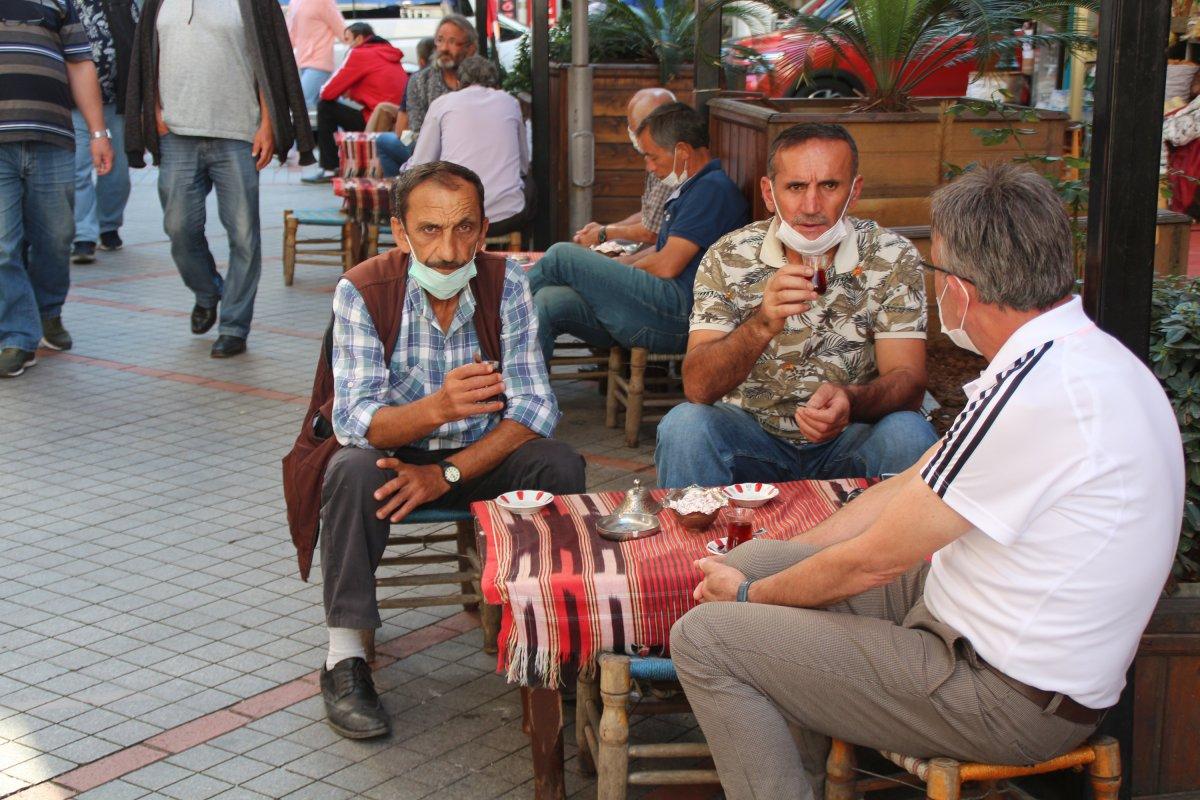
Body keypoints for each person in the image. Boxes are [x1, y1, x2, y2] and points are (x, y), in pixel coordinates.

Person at [670, 162, 1185, 800]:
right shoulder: (1067, 357)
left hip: (1003, 696)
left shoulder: (1042, 393)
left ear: (963, 291)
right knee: (758, 560)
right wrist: (778, 570)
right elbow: (911, 484)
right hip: (966, 621)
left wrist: (753, 603)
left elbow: (873, 563)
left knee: (708, 635)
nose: (936, 291)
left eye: (938, 274)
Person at [319, 162, 585, 738]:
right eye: (431, 230)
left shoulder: (506, 281)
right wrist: (438, 409)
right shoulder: (362, 290)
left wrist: (447, 474)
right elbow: (356, 420)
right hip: (395, 456)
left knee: (559, 464)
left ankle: (557, 639)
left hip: (479, 456)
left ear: (484, 229)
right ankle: (345, 657)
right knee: (347, 472)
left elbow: (534, 409)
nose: (448, 250)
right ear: (400, 231)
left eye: (464, 229)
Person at [655, 123, 936, 487]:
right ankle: (696, 541)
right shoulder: (728, 256)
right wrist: (761, 324)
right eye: (796, 187)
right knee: (685, 426)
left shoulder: (892, 255)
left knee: (909, 433)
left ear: (854, 192)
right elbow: (697, 387)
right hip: (752, 439)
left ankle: (892, 543)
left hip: (851, 439)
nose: (811, 206)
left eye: (830, 186)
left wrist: (851, 400)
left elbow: (909, 382)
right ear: (769, 194)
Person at [125, 0, 315, 359]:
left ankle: (233, 326)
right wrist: (153, 112)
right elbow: (146, 58)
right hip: (177, 133)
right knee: (179, 228)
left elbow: (269, 60)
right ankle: (208, 290)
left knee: (244, 236)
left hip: (238, 133)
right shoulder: (158, 2)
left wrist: (268, 123)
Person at [527, 102, 749, 364]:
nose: (649, 167)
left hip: (679, 315)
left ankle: (491, 310)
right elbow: (663, 248)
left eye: (653, 157)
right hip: (661, 307)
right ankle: (525, 395)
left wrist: (616, 275)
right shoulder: (694, 186)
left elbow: (667, 264)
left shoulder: (712, 190)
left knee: (562, 256)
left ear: (682, 151)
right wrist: (612, 270)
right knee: (546, 302)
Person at [0, 0, 113, 378]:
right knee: (2, 244)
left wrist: (98, 133)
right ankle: (17, 335)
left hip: (53, 138)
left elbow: (80, 64)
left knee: (56, 237)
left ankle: (47, 311)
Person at [403, 57, 530, 235]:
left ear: (458, 83)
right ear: (496, 84)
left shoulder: (443, 103)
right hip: (506, 216)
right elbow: (524, 166)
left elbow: (421, 164)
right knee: (530, 186)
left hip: (455, 216)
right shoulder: (510, 102)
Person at [69, 0, 137, 264]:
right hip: (75, 100)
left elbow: (137, 40)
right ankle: (83, 235)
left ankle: (108, 225)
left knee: (117, 169)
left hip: (117, 99)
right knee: (78, 167)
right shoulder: (66, 4)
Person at [303, 22, 408, 183]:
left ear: (359, 39)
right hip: (397, 120)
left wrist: (348, 90)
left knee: (325, 107)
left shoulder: (359, 53)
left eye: (348, 40)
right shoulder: (387, 53)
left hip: (376, 120)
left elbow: (326, 92)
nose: (347, 46)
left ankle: (329, 168)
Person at [572, 88, 676, 249]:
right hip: (650, 256)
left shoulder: (670, 163)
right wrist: (605, 230)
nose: (633, 134)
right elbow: (650, 217)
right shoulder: (659, 156)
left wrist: (604, 233)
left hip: (658, 261)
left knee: (561, 254)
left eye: (636, 129)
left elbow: (651, 232)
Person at [394, 14, 476, 136]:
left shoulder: (481, 80)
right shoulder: (420, 80)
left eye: (452, 42)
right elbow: (416, 133)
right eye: (440, 40)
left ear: (470, 49)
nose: (444, 48)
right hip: (431, 150)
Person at [285, 0, 346, 110]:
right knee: (327, 104)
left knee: (303, 101)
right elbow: (290, 34)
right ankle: (345, 124)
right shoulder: (294, 2)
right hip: (302, 62)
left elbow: (341, 29)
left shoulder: (324, 2)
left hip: (319, 61)